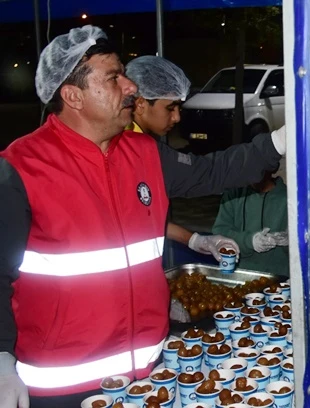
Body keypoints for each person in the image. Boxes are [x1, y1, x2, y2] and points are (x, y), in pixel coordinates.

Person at [0, 25, 295, 407]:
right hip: (64, 390)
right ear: (73, 95)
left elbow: (212, 172)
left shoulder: (143, 152)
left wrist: (278, 142)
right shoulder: (21, 169)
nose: (131, 87)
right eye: (114, 78)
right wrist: (2, 358)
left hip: (147, 380)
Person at [125, 55, 240, 262]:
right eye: (170, 108)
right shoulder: (128, 148)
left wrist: (193, 239)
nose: (177, 117)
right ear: (140, 104)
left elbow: (142, 217)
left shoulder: (142, 142)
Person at [212, 168, 289, 276]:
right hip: (239, 276)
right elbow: (219, 233)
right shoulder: (233, 195)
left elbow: (304, 250)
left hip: (278, 277)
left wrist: (290, 241)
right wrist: (250, 241)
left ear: (271, 168)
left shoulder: (289, 198)